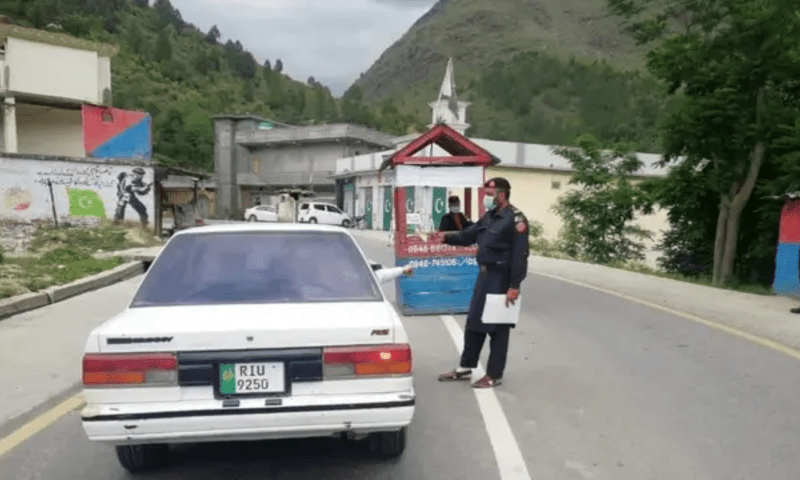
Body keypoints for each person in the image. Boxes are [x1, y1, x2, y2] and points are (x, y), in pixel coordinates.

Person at [436, 177, 530, 388]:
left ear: (502, 194)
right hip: (485, 276)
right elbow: (469, 235)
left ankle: (494, 375)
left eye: (489, 195)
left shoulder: (515, 220)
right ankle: (465, 367)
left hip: (502, 278)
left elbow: (520, 255)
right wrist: (445, 238)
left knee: (498, 329)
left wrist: (514, 286)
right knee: (474, 322)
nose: (486, 199)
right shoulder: (489, 217)